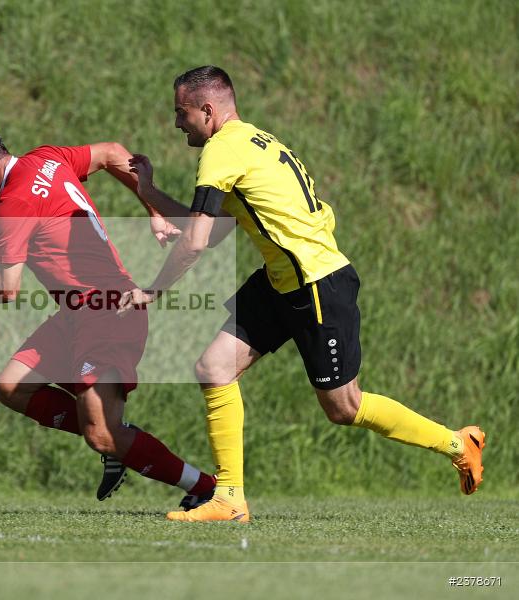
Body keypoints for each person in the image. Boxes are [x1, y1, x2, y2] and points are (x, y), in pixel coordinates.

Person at [117, 66, 485, 523]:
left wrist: (152, 290)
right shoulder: (252, 141)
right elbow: (209, 232)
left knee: (344, 407)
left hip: (316, 284)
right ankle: (230, 498)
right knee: (214, 367)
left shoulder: (220, 151)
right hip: (281, 280)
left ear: (207, 110)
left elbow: (195, 242)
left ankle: (457, 443)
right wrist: (149, 192)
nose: (176, 123)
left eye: (181, 112)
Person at [0, 119, 216, 505]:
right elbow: (113, 151)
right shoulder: (47, 159)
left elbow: (4, 288)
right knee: (12, 386)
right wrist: (153, 207)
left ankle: (205, 488)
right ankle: (120, 436)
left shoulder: (13, 204)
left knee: (101, 436)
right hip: (78, 313)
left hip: (109, 312)